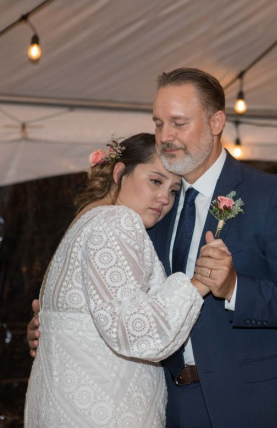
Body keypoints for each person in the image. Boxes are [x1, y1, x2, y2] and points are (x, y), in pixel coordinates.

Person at [29, 68, 277, 427]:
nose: (165, 137)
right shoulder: (152, 210)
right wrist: (60, 326)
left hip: (252, 405)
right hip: (172, 406)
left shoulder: (269, 195)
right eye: (158, 124)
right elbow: (124, 301)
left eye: (178, 123)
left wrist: (235, 288)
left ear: (216, 122)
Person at [24, 133, 224, 427]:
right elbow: (138, 334)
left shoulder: (83, 222)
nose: (164, 199)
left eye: (173, 190)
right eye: (156, 181)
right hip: (107, 413)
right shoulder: (117, 221)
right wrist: (198, 283)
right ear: (120, 173)